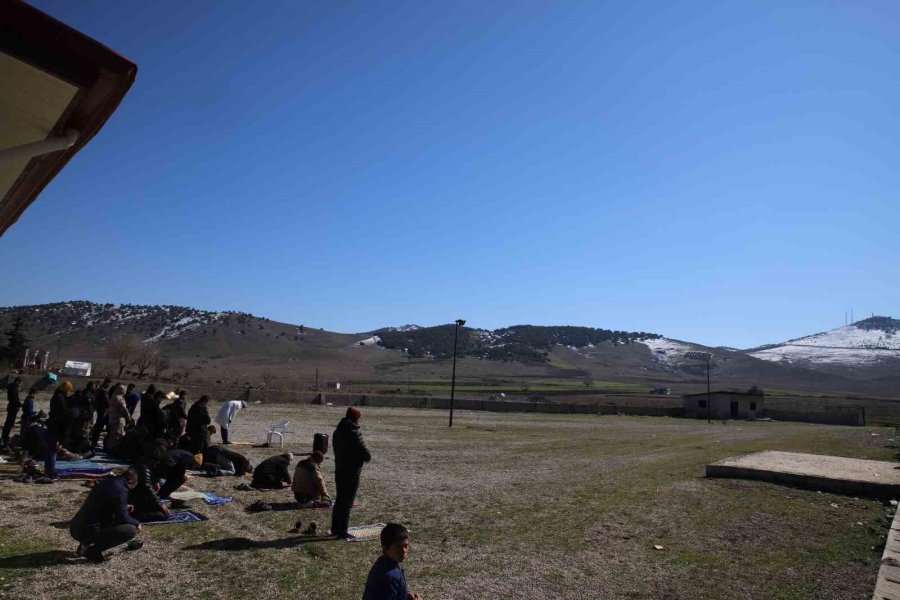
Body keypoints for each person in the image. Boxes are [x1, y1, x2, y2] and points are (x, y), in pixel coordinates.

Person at [69, 468, 142, 563]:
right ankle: (92, 550)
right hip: (87, 530)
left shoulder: (109, 482)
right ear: (131, 481)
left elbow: (106, 505)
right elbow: (123, 518)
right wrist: (136, 523)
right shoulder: (121, 489)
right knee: (131, 530)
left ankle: (85, 544)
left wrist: (123, 507)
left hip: (76, 527)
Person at [331, 406, 371, 538]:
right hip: (351, 471)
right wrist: (367, 457)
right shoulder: (353, 432)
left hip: (340, 469)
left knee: (340, 499)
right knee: (347, 501)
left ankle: (335, 528)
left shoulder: (338, 430)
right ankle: (342, 531)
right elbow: (363, 451)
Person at [362, 523, 421, 600]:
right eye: (398, 547)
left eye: (406, 546)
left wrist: (405, 595)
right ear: (385, 548)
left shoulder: (383, 562)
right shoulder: (388, 576)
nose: (404, 551)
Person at [107, 384, 133, 453]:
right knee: (118, 436)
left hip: (112, 418)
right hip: (118, 420)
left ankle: (109, 449)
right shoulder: (120, 399)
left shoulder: (113, 397)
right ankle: (114, 451)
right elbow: (125, 410)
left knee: (112, 435)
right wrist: (129, 418)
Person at [90, 378, 112, 449]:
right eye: (108, 384)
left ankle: (94, 441)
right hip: (102, 410)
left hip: (100, 409)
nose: (108, 386)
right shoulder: (103, 391)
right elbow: (106, 401)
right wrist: (110, 406)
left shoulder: (100, 390)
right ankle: (94, 442)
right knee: (99, 425)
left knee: (98, 426)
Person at [2, 376, 22, 448]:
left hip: (11, 407)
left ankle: (4, 437)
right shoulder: (14, 388)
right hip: (13, 408)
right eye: (20, 383)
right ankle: (5, 439)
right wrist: (20, 404)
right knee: (9, 424)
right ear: (18, 382)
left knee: (8, 423)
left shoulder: (11, 387)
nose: (20, 385)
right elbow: (15, 399)